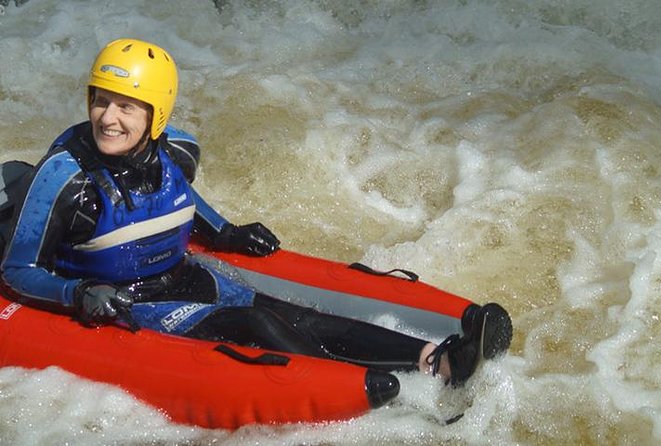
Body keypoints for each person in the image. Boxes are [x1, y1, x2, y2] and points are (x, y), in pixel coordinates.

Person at [0, 38, 511, 391]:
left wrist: (225, 233)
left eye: (125, 106)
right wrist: (78, 293)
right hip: (125, 302)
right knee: (256, 322)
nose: (107, 118)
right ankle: (394, 389)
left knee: (299, 316)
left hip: (182, 276)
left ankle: (437, 359)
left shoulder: (178, 151)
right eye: (100, 101)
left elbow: (180, 199)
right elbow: (17, 270)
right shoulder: (64, 177)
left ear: (157, 113)